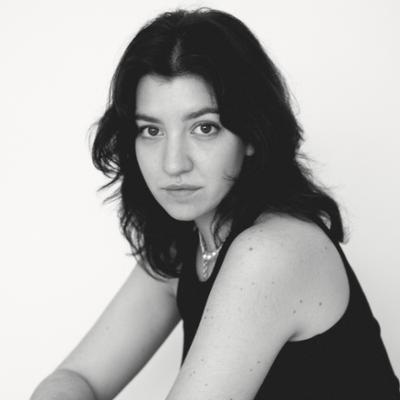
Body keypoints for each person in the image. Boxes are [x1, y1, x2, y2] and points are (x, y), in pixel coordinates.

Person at [30, 7, 400, 400]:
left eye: (204, 128)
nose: (173, 164)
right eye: (151, 130)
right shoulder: (185, 243)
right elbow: (76, 377)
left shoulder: (274, 250)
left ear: (252, 134)